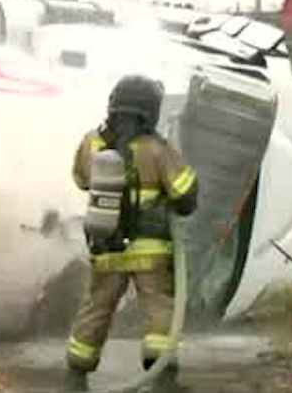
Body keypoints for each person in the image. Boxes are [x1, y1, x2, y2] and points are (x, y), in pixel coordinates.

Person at [63, 75, 199, 393]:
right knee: (159, 308)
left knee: (96, 307)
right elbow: (185, 195)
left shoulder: (91, 143)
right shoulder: (156, 148)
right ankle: (162, 378)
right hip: (150, 252)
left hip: (106, 244)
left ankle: (75, 376)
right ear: (150, 111)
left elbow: (81, 179)